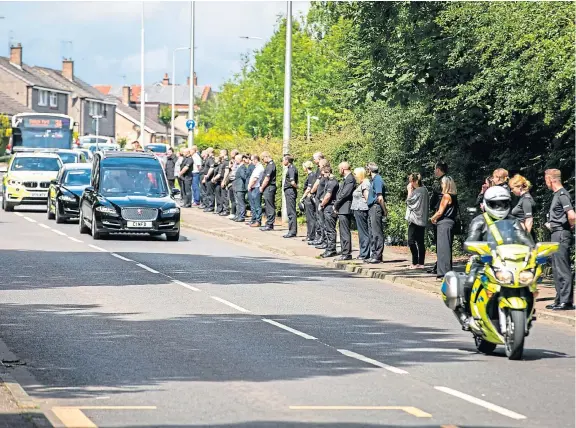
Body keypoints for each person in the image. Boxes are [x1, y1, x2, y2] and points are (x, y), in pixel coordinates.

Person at [463, 186, 534, 327]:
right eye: (496, 204)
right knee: (470, 283)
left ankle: (527, 316)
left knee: (529, 286)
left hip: (508, 263)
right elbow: (470, 241)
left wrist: (533, 250)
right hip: (484, 262)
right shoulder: (479, 221)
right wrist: (476, 249)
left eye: (503, 203)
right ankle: (468, 314)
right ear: (487, 204)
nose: (500, 207)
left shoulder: (513, 221)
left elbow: (524, 238)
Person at [544, 169, 575, 311]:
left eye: (546, 180)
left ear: (551, 179)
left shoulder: (562, 194)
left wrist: (570, 227)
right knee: (556, 269)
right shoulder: (556, 195)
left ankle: (566, 301)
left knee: (563, 268)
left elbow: (572, 215)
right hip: (555, 233)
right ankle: (559, 299)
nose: (546, 183)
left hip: (561, 233)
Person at [430, 176, 458, 279]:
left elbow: (440, 211)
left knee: (443, 248)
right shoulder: (454, 195)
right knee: (447, 246)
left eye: (442, 183)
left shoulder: (446, 196)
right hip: (451, 222)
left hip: (444, 222)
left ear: (445, 184)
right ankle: (447, 270)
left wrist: (432, 218)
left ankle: (443, 272)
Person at [406, 173, 429, 269]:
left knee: (411, 240)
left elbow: (409, 201)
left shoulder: (418, 191)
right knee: (420, 241)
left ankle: (415, 262)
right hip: (422, 218)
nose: (410, 183)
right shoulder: (425, 190)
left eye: (411, 181)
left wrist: (409, 191)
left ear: (415, 181)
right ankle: (421, 263)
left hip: (415, 219)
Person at [366, 162, 388, 264]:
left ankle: (378, 255)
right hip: (372, 207)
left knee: (377, 232)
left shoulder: (378, 179)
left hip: (376, 207)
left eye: (367, 169)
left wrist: (384, 210)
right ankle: (374, 253)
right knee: (372, 232)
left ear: (370, 170)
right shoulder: (373, 180)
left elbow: (380, 197)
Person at [428, 161, 448, 274]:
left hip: (440, 215)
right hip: (441, 214)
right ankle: (439, 265)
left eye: (435, 169)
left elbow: (439, 199)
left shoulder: (442, 182)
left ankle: (440, 267)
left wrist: (435, 215)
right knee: (440, 243)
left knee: (440, 243)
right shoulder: (445, 180)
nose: (434, 172)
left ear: (438, 169)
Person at [334, 162, 355, 260]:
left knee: (345, 231)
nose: (339, 171)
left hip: (345, 208)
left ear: (343, 169)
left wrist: (336, 204)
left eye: (339, 169)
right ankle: (344, 252)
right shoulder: (347, 179)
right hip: (342, 208)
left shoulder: (350, 179)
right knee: (342, 231)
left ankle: (346, 253)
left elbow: (345, 194)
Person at [318, 166, 339, 258]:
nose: (323, 176)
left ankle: (331, 249)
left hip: (330, 207)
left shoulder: (332, 182)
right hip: (328, 207)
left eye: (323, 174)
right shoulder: (330, 181)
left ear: (327, 173)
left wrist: (322, 204)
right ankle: (329, 248)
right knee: (328, 228)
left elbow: (328, 195)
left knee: (330, 229)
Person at [351, 167, 371, 261]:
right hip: (359, 209)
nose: (354, 176)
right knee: (362, 232)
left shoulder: (365, 183)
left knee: (363, 233)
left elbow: (367, 196)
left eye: (355, 174)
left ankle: (364, 254)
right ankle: (364, 252)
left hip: (362, 209)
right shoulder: (362, 183)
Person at [509, 174, 536, 239]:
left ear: (520, 187)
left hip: (523, 235)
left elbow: (529, 220)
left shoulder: (526, 199)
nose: (511, 191)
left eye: (512, 188)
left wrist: (526, 238)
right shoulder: (522, 198)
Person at [313, 158, 330, 248]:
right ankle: (322, 238)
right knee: (320, 220)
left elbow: (326, 190)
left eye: (319, 166)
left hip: (322, 201)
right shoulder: (322, 176)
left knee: (323, 222)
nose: (318, 167)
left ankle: (325, 240)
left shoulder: (327, 177)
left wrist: (322, 201)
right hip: (318, 199)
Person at [259, 152, 277, 231]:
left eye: (263, 159)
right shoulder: (269, 165)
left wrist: (262, 187)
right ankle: (268, 223)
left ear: (266, 157)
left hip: (269, 188)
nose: (263, 161)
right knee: (267, 206)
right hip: (268, 188)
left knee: (270, 206)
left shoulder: (270, 165)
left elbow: (267, 178)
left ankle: (270, 224)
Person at [282, 154, 299, 238]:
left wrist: (297, 187)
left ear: (287, 161)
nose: (283, 161)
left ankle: (292, 231)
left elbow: (292, 182)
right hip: (289, 191)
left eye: (284, 160)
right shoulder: (290, 168)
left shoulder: (291, 169)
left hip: (290, 191)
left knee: (291, 212)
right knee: (290, 211)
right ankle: (291, 230)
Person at [301, 161, 317, 244]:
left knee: (310, 218)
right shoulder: (312, 175)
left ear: (306, 167)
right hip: (309, 199)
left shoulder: (311, 175)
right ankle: (310, 235)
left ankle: (311, 235)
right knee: (309, 218)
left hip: (309, 199)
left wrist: (302, 198)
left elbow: (309, 188)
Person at [247, 154, 265, 227]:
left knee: (257, 206)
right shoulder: (257, 167)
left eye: (252, 160)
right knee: (254, 206)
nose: (251, 162)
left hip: (256, 188)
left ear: (255, 160)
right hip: (254, 188)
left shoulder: (259, 168)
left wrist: (250, 185)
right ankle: (254, 220)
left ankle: (258, 221)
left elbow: (255, 179)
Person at [233, 154, 249, 222]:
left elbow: (244, 177)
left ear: (239, 159)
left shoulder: (242, 167)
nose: (235, 160)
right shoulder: (239, 166)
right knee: (238, 202)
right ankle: (238, 215)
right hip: (238, 187)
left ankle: (241, 216)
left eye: (236, 159)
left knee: (241, 203)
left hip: (241, 187)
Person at [202, 148, 216, 212]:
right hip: (207, 178)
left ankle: (211, 206)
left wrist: (207, 175)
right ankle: (208, 205)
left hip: (210, 178)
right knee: (208, 192)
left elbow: (212, 168)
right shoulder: (208, 159)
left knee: (210, 193)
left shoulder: (211, 159)